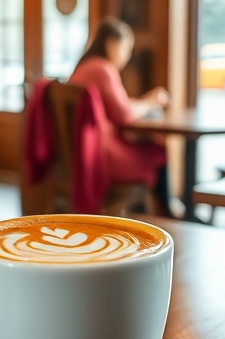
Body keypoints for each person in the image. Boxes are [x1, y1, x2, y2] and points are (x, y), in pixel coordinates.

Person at [69, 18, 174, 215]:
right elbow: (124, 114)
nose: (128, 56)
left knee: (152, 147)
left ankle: (156, 212)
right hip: (101, 156)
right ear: (111, 44)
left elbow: (120, 106)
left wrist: (141, 102)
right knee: (158, 150)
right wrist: (151, 101)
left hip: (80, 155)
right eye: (126, 48)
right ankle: (166, 215)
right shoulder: (103, 69)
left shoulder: (83, 67)